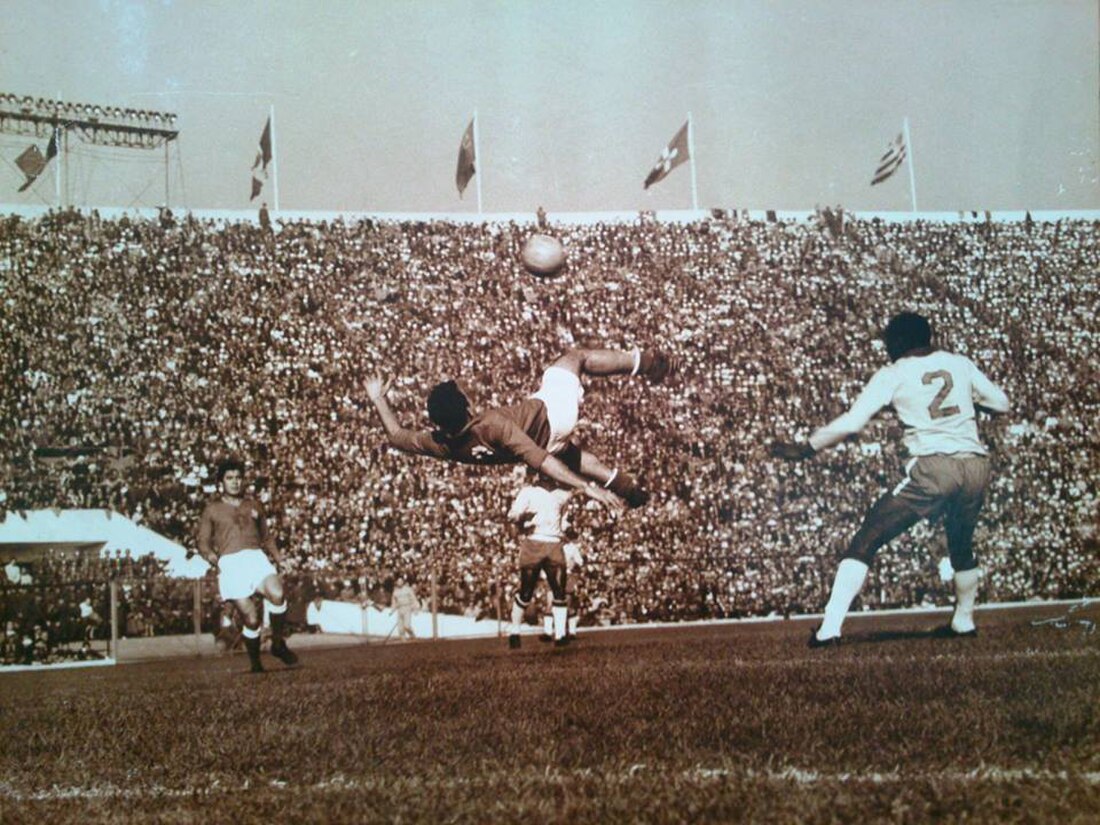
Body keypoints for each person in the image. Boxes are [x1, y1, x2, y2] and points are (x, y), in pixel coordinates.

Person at [770, 312, 1010, 647]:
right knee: (961, 544)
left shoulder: (893, 373)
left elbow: (853, 422)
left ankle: (828, 630)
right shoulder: (959, 362)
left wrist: (808, 448)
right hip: (975, 465)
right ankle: (963, 621)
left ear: (897, 342)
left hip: (934, 466)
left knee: (867, 538)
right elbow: (1001, 402)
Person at [365, 346, 676, 512]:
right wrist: (586, 489)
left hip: (549, 439)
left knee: (573, 455)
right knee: (573, 357)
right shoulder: (492, 425)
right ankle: (649, 364)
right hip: (553, 415)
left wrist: (378, 398)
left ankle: (629, 491)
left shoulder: (442, 443)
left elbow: (396, 436)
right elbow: (540, 460)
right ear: (468, 407)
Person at [195, 458, 298, 673]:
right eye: (229, 478)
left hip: (256, 557)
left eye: (238, 478)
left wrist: (279, 559)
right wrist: (210, 555)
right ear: (220, 482)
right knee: (251, 620)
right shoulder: (212, 509)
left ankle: (278, 643)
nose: (235, 482)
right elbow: (202, 541)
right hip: (231, 564)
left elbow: (266, 537)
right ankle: (255, 663)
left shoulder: (253, 505)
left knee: (277, 594)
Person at [506, 474, 575, 648]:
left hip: (554, 542)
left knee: (559, 590)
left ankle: (560, 635)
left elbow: (565, 521)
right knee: (526, 592)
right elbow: (512, 515)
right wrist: (522, 517)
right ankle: (514, 632)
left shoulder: (563, 494)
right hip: (534, 541)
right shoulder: (528, 492)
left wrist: (567, 526)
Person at [390, 576, 420, 640]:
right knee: (400, 628)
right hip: (400, 609)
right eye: (398, 581)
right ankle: (403, 641)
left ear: (403, 582)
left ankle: (412, 635)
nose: (399, 583)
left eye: (401, 581)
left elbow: (413, 599)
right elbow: (394, 602)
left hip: (407, 608)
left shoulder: (408, 589)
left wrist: (416, 608)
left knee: (407, 626)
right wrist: (392, 610)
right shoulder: (395, 591)